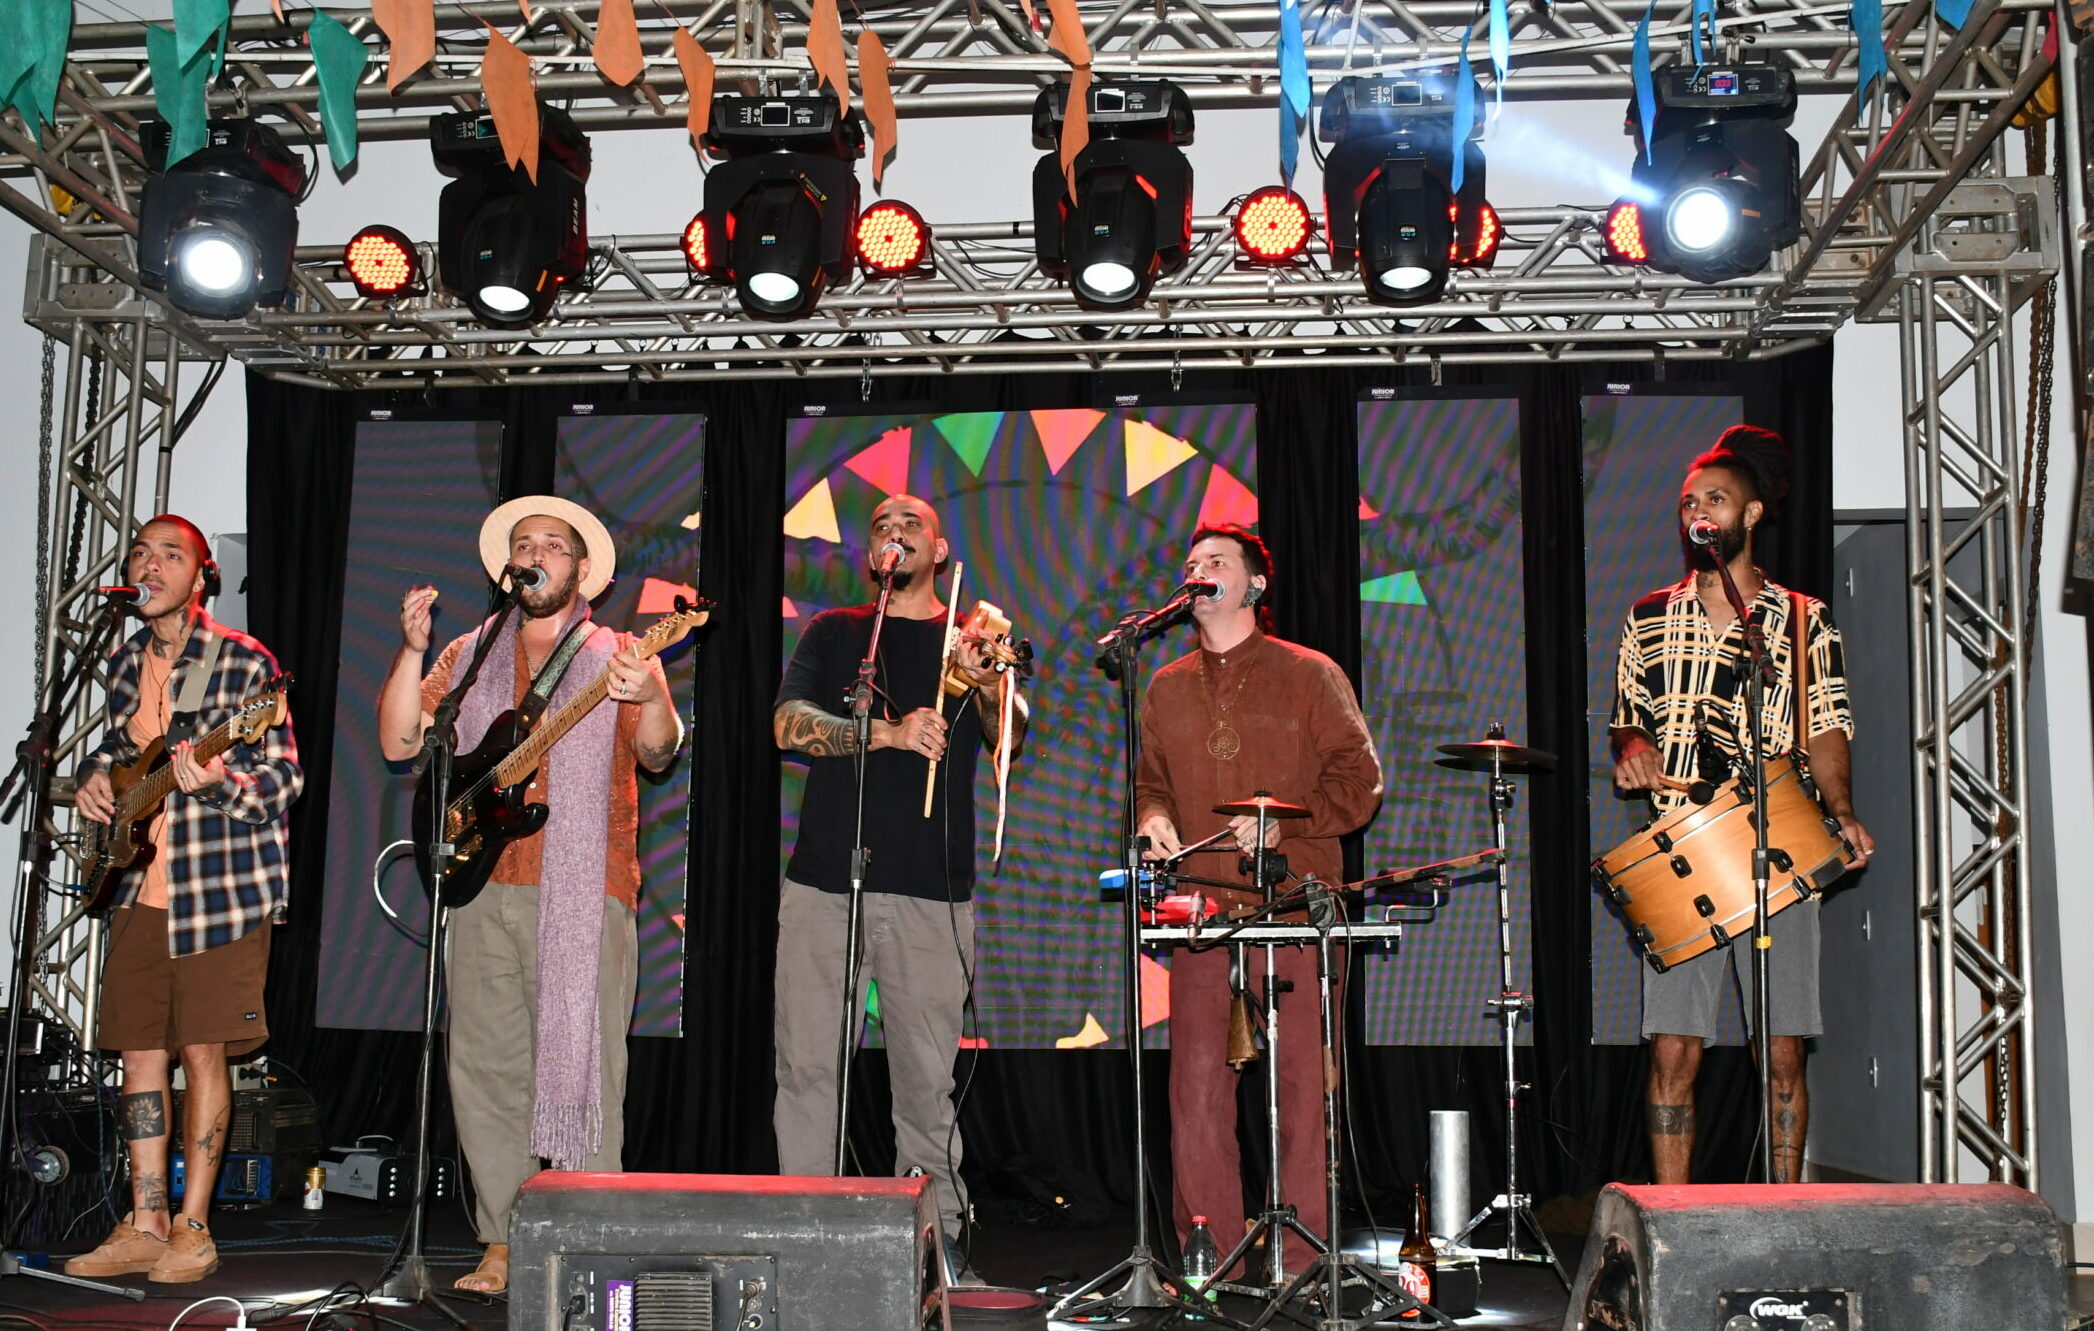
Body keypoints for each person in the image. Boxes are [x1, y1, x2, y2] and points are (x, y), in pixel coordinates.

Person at [377, 496, 682, 1295]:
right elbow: (400, 741)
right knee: (485, 1068)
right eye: (524, 542)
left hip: (585, 886)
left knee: (585, 1066)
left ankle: (591, 1239)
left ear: (582, 570)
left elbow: (659, 752)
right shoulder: (471, 651)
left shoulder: (615, 649)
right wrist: (412, 653)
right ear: (506, 566)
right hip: (480, 884)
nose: (536, 551)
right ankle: (506, 1240)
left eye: (554, 542)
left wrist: (649, 694)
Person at [1610, 425, 1875, 1185]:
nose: (1698, 510)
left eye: (1714, 499)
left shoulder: (1801, 618)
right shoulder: (1647, 615)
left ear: (1751, 515)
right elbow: (1627, 716)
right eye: (1689, 500)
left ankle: (1788, 1211)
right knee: (1673, 1047)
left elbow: (1825, 722)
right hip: (1681, 836)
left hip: (1779, 834)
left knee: (1782, 1047)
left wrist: (1844, 809)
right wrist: (1633, 750)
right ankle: (1670, 1221)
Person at [772, 493, 1026, 1279]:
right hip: (822, 883)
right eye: (882, 523)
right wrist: (886, 730)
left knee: (924, 1078)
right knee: (809, 1066)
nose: (894, 530)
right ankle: (806, 1238)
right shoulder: (838, 632)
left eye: (911, 522)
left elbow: (1012, 736)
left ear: (940, 550)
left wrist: (984, 681)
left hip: (929, 892)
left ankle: (939, 1242)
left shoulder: (972, 636)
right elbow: (787, 725)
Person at [1134, 523, 1383, 1271]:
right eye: (1191, 563)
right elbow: (1151, 781)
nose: (1199, 570)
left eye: (1217, 561)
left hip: (1298, 907)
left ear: (1255, 584)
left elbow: (1359, 779)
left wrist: (1284, 824)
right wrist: (1152, 817)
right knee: (1198, 1097)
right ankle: (1213, 1258)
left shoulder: (1309, 673)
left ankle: (1303, 1261)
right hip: (1204, 917)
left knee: (1303, 1093)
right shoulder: (1165, 684)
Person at [63, 515, 302, 1284]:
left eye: (172, 554)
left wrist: (221, 779)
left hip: (218, 894)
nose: (151, 564)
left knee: (203, 1049)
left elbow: (283, 780)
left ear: (202, 578)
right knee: (138, 1050)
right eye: (141, 551)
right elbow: (118, 751)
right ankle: (145, 1218)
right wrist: (95, 778)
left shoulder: (244, 664)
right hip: (136, 886)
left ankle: (194, 1227)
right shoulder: (124, 658)